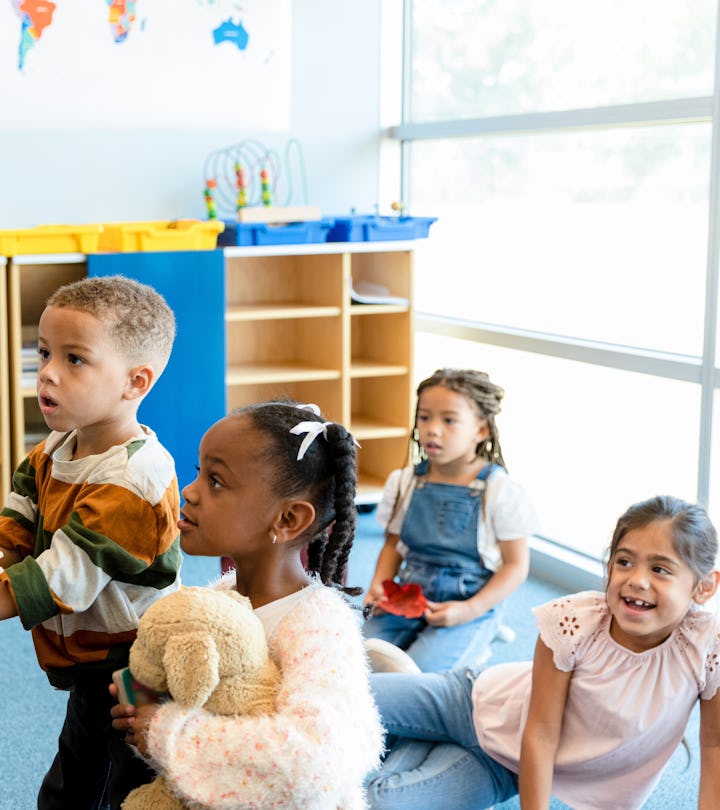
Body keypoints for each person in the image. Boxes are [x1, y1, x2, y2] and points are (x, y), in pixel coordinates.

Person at [364, 494, 720, 810]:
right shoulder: (573, 622)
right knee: (336, 698)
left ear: (704, 587)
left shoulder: (707, 649)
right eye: (625, 562)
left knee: (378, 800)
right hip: (469, 699)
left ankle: (412, 720)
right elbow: (542, 731)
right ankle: (412, 702)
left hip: (502, 765)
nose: (637, 579)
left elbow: (715, 746)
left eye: (659, 569)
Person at [111, 401, 384, 809]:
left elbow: (313, 761)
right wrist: (144, 715)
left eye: (216, 480)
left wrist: (165, 731)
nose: (190, 490)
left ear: (288, 519)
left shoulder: (319, 626)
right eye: (199, 472)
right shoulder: (217, 601)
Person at [0, 274, 182, 810]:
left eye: (74, 359)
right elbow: (16, 527)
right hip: (89, 653)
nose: (47, 373)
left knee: (124, 777)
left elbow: (61, 577)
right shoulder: (54, 447)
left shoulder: (134, 478)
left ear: (135, 382)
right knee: (77, 766)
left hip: (136, 659)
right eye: (44, 352)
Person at [363, 368, 538, 672]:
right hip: (408, 594)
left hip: (470, 601)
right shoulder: (404, 481)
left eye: (449, 420)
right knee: (358, 658)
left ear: (481, 430)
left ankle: (483, 634)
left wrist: (470, 609)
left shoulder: (500, 490)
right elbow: (392, 545)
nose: (432, 429)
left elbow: (516, 566)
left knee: (417, 678)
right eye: (425, 417)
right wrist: (379, 584)